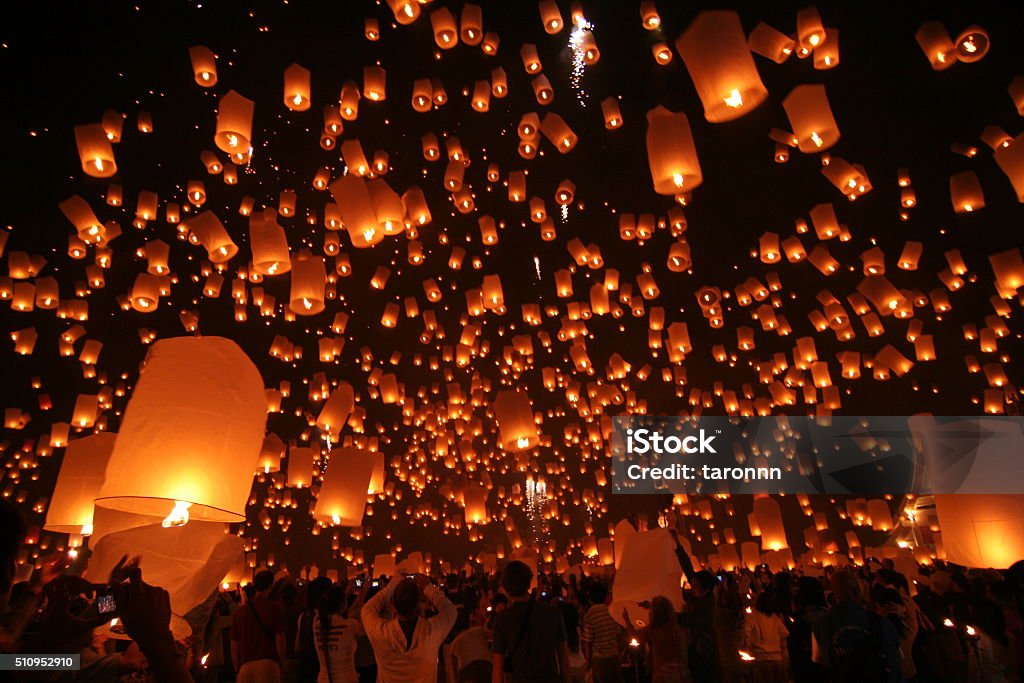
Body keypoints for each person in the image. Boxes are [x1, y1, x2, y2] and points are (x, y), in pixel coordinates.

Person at [361, 573, 456, 683]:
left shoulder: (380, 632)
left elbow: (367, 609)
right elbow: (450, 610)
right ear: (418, 603)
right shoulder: (431, 631)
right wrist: (429, 588)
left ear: (393, 603)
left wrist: (389, 588)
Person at [812, 570, 902, 683]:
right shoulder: (879, 621)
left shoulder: (820, 624)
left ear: (833, 595)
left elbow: (818, 660)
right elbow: (897, 655)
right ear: (856, 591)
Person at [491, 560, 570, 683]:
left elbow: (498, 671)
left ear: (505, 588)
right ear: (529, 583)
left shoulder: (502, 620)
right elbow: (564, 661)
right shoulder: (552, 612)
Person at [232, 570, 287, 683]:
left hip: (245, 666)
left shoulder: (240, 612)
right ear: (271, 585)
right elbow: (280, 640)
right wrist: (282, 665)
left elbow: (234, 644)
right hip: (268, 664)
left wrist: (237, 669)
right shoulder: (275, 608)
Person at [622, 596, 691, 683]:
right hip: (681, 674)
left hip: (663, 677)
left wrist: (627, 619)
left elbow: (633, 635)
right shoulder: (679, 630)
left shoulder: (653, 631)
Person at [314, 584, 363, 683]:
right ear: (342, 605)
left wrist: (345, 593)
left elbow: (336, 609)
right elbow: (362, 631)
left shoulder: (317, 625)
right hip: (347, 679)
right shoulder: (350, 625)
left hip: (323, 679)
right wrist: (361, 602)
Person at [581, 582, 624, 683]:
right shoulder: (611, 611)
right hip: (614, 655)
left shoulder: (589, 615)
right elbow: (619, 634)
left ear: (590, 597)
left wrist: (588, 661)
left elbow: (588, 641)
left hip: (600, 658)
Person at [742, 591, 788, 683]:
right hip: (777, 658)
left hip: (761, 659)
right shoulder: (775, 617)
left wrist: (747, 648)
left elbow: (746, 633)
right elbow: (785, 633)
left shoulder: (752, 616)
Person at [449, 604, 492, 683]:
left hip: (468, 671)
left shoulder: (454, 644)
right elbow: (495, 636)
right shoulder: (478, 630)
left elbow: (454, 672)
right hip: (487, 666)